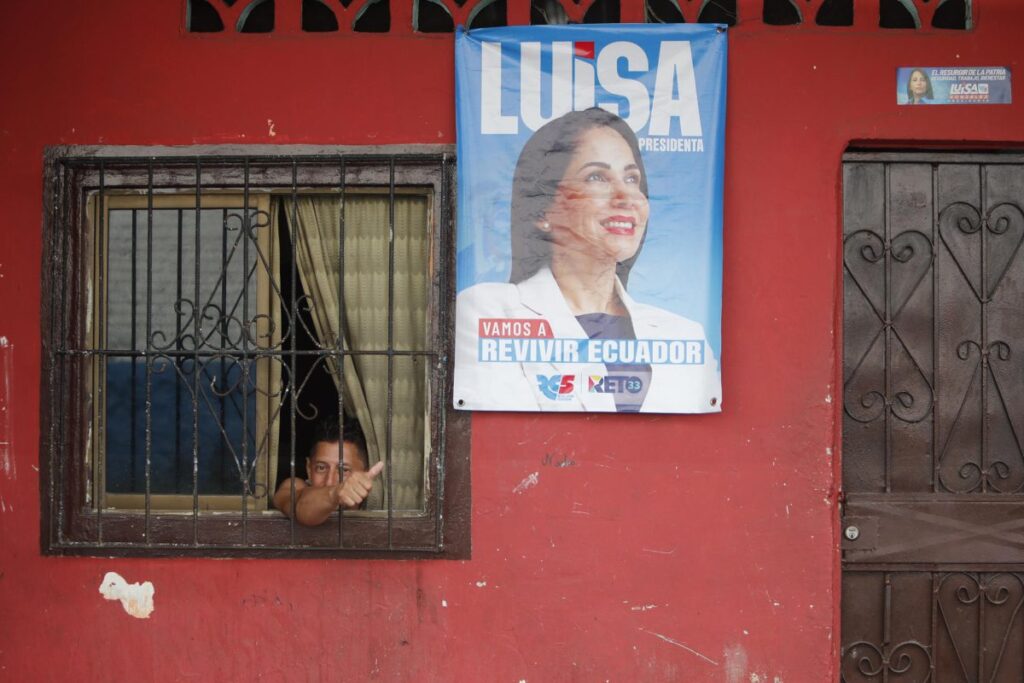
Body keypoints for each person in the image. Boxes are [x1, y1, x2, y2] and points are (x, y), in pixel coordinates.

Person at [454, 108, 720, 413]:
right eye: (597, 177)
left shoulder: (685, 335)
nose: (626, 195)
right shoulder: (489, 311)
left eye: (632, 178)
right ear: (542, 212)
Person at [273, 416, 384, 526]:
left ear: (365, 471)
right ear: (308, 468)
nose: (329, 482)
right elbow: (300, 507)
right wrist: (335, 493)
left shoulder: (379, 500)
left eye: (343, 470)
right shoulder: (293, 487)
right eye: (321, 468)